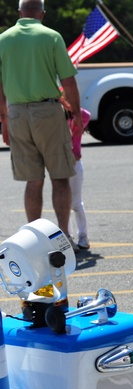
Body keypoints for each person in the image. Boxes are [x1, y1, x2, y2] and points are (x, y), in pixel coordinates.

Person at [0, 0, 83, 241]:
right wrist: (76, 114)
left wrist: (4, 119)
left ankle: (35, 239)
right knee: (59, 177)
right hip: (46, 111)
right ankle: (63, 235)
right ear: (42, 14)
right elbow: (68, 81)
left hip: (16, 113)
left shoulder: (4, 39)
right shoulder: (51, 37)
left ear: (19, 13)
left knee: (33, 180)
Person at [60, 96, 91, 250]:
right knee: (63, 204)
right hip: (59, 163)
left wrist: (71, 106)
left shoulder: (78, 118)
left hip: (75, 163)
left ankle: (83, 237)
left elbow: (86, 115)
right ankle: (68, 238)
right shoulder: (57, 119)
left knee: (76, 203)